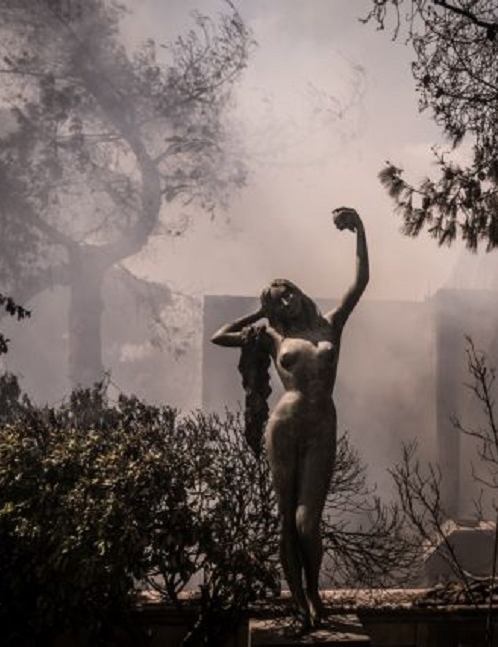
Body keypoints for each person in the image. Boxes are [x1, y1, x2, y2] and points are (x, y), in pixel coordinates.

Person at [210, 206, 369, 631]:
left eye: (289, 292)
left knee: (308, 518)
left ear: (299, 292)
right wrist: (259, 316)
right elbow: (219, 335)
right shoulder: (275, 336)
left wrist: (360, 229)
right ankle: (300, 599)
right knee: (286, 515)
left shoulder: (330, 325)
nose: (287, 299)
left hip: (322, 422)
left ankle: (313, 591)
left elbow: (359, 284)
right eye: (278, 298)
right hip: (284, 421)